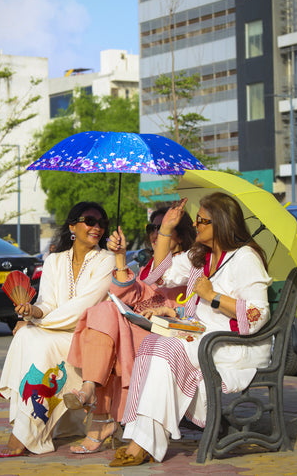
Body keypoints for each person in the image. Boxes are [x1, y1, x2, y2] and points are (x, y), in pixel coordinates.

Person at [109, 192, 272, 467]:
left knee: (167, 348)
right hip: (202, 336)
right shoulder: (201, 256)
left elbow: (258, 314)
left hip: (232, 346)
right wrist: (165, 229)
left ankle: (142, 443)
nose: (195, 225)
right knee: (153, 343)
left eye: (202, 221)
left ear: (220, 223)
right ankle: (143, 439)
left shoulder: (246, 258)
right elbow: (158, 275)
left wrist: (213, 296)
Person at [65, 206, 196, 454]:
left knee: (108, 319)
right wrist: (120, 257)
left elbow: (191, 308)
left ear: (180, 232)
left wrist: (170, 311)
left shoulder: (189, 262)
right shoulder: (149, 268)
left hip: (166, 334)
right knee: (106, 313)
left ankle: (99, 414)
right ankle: (91, 390)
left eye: (164, 227)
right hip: (136, 328)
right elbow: (127, 295)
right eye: (152, 228)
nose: (157, 233)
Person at [0, 201, 115, 458]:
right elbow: (48, 303)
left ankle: (23, 435)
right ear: (72, 226)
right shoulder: (54, 261)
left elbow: (84, 307)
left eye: (102, 223)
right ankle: (25, 426)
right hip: (55, 327)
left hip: (87, 336)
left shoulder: (108, 261)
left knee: (39, 342)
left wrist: (35, 322)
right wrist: (32, 311)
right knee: (26, 335)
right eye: (90, 221)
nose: (97, 227)